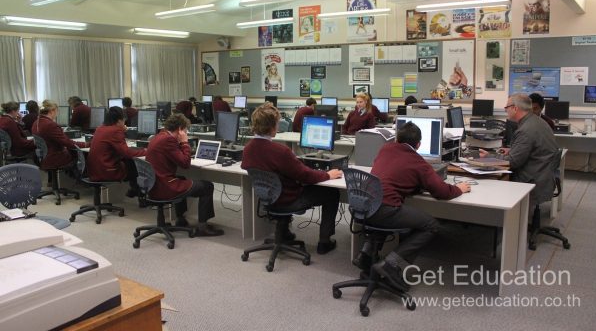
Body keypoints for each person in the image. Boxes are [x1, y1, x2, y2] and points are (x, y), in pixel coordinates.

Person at [363, 121, 471, 289]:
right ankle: (390, 264)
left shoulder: (385, 149)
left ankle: (365, 254)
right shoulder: (418, 162)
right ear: (418, 145)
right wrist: (459, 188)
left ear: (397, 139)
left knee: (390, 217)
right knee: (432, 225)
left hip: (364, 205)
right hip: (386, 209)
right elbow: (442, 192)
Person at [241, 103, 341, 254]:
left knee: (287, 183)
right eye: (277, 123)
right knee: (332, 193)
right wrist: (328, 175)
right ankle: (324, 242)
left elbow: (249, 166)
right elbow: (305, 176)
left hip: (267, 197)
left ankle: (284, 233)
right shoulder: (280, 151)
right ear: (272, 127)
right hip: (288, 199)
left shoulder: (248, 148)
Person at [145, 113, 223, 237]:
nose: (186, 133)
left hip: (153, 185)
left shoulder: (159, 136)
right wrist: (185, 142)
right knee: (207, 186)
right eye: (186, 130)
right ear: (180, 129)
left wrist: (181, 146)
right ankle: (203, 227)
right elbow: (185, 164)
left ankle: (180, 219)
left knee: (181, 178)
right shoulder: (168, 140)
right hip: (163, 187)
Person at [479, 93, 558, 211]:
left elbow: (513, 162)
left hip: (530, 180)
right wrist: (513, 149)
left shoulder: (526, 129)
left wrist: (489, 156)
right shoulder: (536, 121)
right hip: (542, 176)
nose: (505, 110)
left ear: (515, 108)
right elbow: (534, 147)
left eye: (507, 107)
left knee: (487, 182)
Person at [87, 107, 146, 197]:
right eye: (124, 120)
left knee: (128, 161)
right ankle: (140, 194)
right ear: (119, 121)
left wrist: (121, 130)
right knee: (134, 163)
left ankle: (135, 191)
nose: (124, 123)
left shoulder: (100, 128)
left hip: (94, 171)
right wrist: (145, 151)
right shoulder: (115, 131)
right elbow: (127, 153)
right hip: (106, 171)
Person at [33, 100, 88, 169]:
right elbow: (68, 143)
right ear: (52, 111)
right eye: (57, 111)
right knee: (83, 156)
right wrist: (86, 144)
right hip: (55, 158)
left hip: (45, 157)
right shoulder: (50, 125)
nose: (57, 114)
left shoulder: (36, 123)